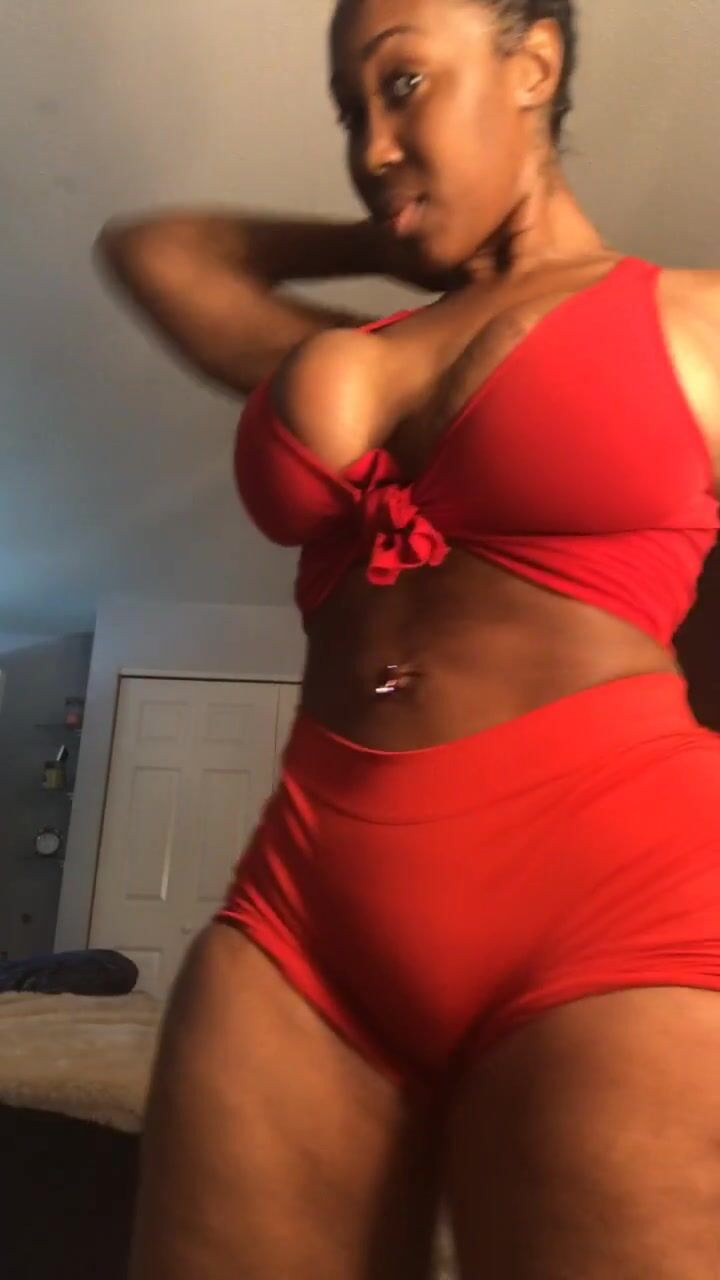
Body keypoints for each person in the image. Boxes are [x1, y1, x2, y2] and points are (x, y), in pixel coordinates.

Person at [97, 1, 720, 1276]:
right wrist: (393, 238)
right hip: (308, 904)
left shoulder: (696, 314)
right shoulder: (350, 348)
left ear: (531, 64)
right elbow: (155, 251)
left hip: (615, 896)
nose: (370, 147)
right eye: (349, 111)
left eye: (403, 85)